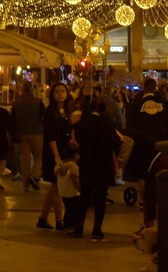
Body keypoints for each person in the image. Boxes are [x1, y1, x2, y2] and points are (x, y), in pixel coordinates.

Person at [71, 98, 121, 241]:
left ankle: (79, 227)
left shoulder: (82, 124)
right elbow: (116, 142)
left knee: (85, 196)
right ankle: (97, 230)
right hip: (103, 164)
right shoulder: (106, 124)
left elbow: (77, 140)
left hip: (86, 163)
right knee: (100, 197)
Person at [39, 82, 71, 230]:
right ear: (52, 94)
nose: (60, 94)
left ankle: (43, 218)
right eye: (57, 91)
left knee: (54, 187)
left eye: (62, 91)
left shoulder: (68, 111)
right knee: (57, 187)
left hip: (64, 151)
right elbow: (51, 136)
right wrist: (56, 156)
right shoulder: (50, 111)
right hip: (53, 152)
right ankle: (60, 221)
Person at [11, 81, 44, 191]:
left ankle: (25, 184)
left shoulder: (16, 102)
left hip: (22, 134)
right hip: (36, 132)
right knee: (39, 156)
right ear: (32, 89)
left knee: (25, 158)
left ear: (22, 89)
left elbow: (13, 120)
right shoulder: (37, 102)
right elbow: (43, 117)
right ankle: (33, 176)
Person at [56, 149, 82, 234]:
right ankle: (72, 226)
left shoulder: (60, 166)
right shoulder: (73, 167)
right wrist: (81, 190)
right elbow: (76, 180)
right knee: (74, 211)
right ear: (75, 156)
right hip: (73, 193)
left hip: (64, 193)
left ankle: (66, 226)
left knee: (68, 210)